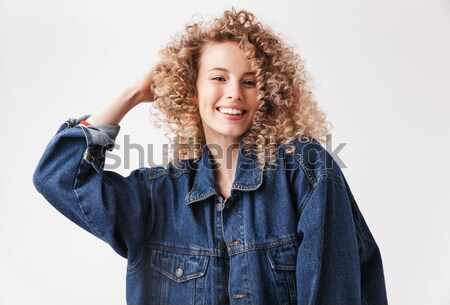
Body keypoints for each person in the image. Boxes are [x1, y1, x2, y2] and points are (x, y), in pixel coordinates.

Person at [33, 8, 388, 305]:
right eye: (219, 77)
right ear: (192, 89)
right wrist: (132, 94)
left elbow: (336, 292)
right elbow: (57, 175)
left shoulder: (306, 171)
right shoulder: (156, 196)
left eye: (250, 82)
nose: (234, 93)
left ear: (268, 94)